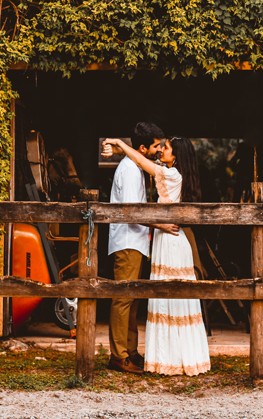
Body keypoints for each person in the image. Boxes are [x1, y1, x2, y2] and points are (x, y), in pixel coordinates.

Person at [103, 136, 211, 376]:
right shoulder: (171, 172)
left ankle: (171, 357)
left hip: (170, 240)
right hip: (165, 238)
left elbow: (142, 162)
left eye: (167, 148)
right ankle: (170, 356)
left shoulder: (172, 175)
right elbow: (145, 162)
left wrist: (121, 146)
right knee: (166, 298)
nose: (162, 150)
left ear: (177, 155)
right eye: (160, 146)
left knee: (169, 297)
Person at [106, 122, 178, 375]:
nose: (159, 151)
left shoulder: (137, 167)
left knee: (132, 299)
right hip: (127, 240)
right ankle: (118, 355)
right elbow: (131, 211)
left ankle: (130, 351)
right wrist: (160, 225)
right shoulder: (128, 170)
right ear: (143, 147)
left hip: (136, 240)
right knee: (123, 299)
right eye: (157, 146)